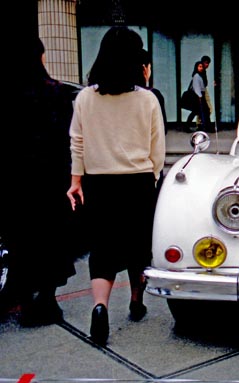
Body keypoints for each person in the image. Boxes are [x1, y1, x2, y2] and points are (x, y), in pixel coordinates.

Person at [66, 26, 166, 345]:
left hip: (99, 183)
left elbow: (77, 142)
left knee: (104, 247)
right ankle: (136, 301)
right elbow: (157, 148)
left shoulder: (85, 98)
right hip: (137, 182)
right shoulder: (147, 100)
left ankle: (99, 306)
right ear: (137, 61)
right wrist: (151, 177)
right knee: (138, 245)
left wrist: (76, 179)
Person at [0, 36, 84, 326]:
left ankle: (24, 302)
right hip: (51, 179)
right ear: (40, 57)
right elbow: (69, 138)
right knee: (52, 240)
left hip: (15, 183)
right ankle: (47, 300)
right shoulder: (57, 93)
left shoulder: (5, 95)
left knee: (21, 242)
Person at [140, 48, 167, 192]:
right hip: (144, 171)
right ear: (145, 69)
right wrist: (156, 175)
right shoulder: (151, 96)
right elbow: (160, 136)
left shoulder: (88, 96)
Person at [185, 60, 211, 132]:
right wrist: (200, 96)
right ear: (196, 67)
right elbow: (196, 87)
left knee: (197, 111)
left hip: (200, 95)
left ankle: (202, 126)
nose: (201, 68)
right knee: (202, 111)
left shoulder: (200, 75)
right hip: (198, 96)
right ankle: (203, 127)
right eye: (199, 67)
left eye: (202, 67)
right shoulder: (196, 76)